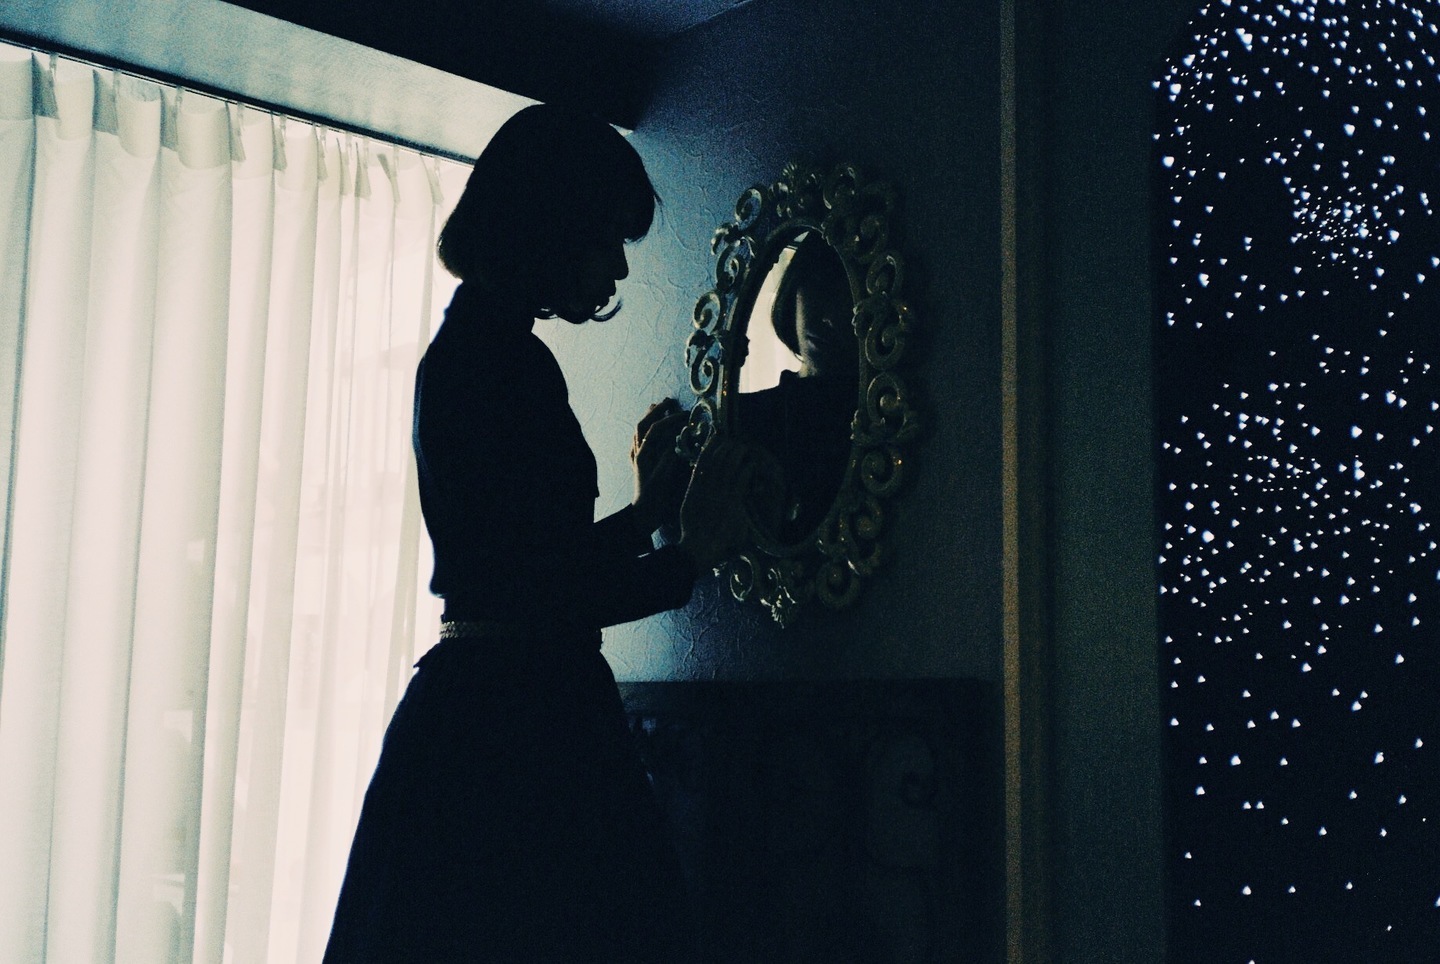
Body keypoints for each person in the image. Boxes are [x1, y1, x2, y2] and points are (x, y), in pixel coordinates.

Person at [323, 104, 757, 963]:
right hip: (516, 732)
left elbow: (519, 565)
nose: (618, 266)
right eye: (607, 238)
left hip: (488, 713)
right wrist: (687, 556)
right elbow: (537, 592)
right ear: (551, 225)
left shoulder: (479, 348)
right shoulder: (498, 360)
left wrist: (645, 518)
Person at [737, 232, 859, 545]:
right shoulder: (743, 417)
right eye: (820, 286)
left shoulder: (869, 428)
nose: (829, 316)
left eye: (850, 300)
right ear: (795, 287)